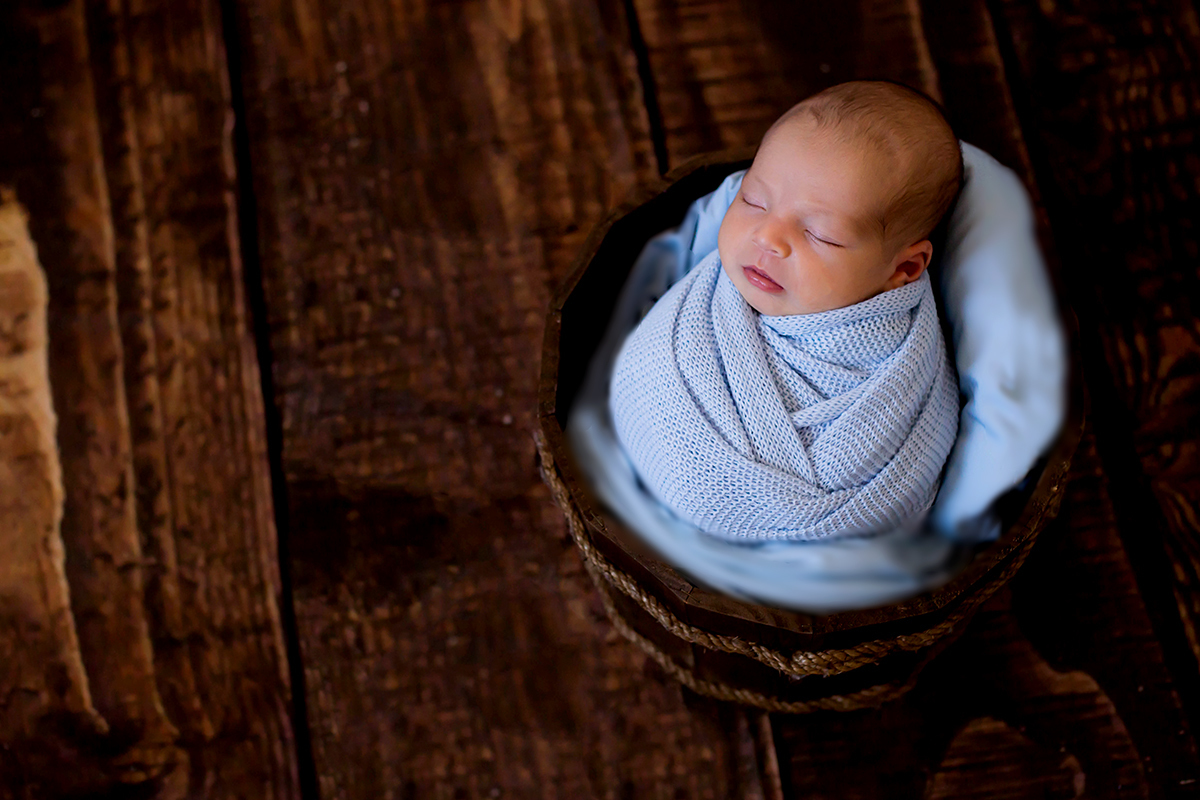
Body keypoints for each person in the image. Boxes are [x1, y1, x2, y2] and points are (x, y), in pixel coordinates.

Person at [608, 81, 963, 542]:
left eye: (821, 235)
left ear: (905, 269)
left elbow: (913, 456)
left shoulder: (901, 359)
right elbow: (655, 360)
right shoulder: (720, 287)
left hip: (808, 538)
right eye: (753, 201)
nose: (767, 238)